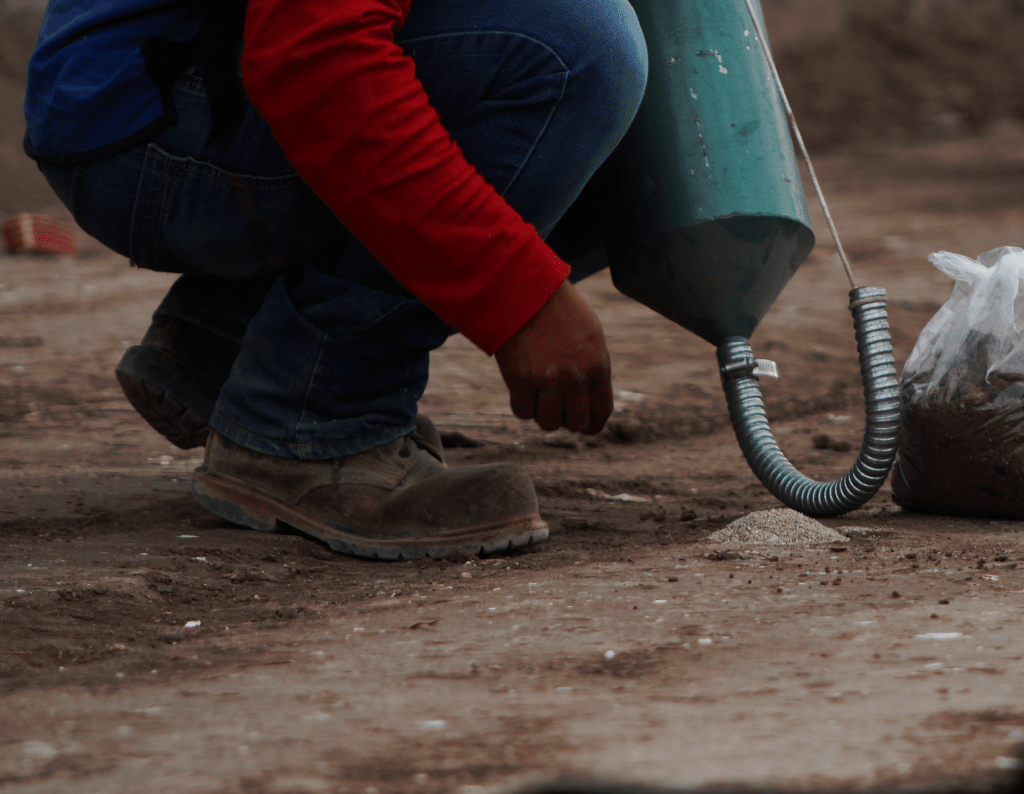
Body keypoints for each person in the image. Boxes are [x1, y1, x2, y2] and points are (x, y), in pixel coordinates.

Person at [23, 0, 649, 559]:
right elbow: (319, 56)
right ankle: (315, 420)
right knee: (576, 47)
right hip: (145, 122)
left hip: (183, 80)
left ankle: (234, 335)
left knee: (653, 69)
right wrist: (520, 295)